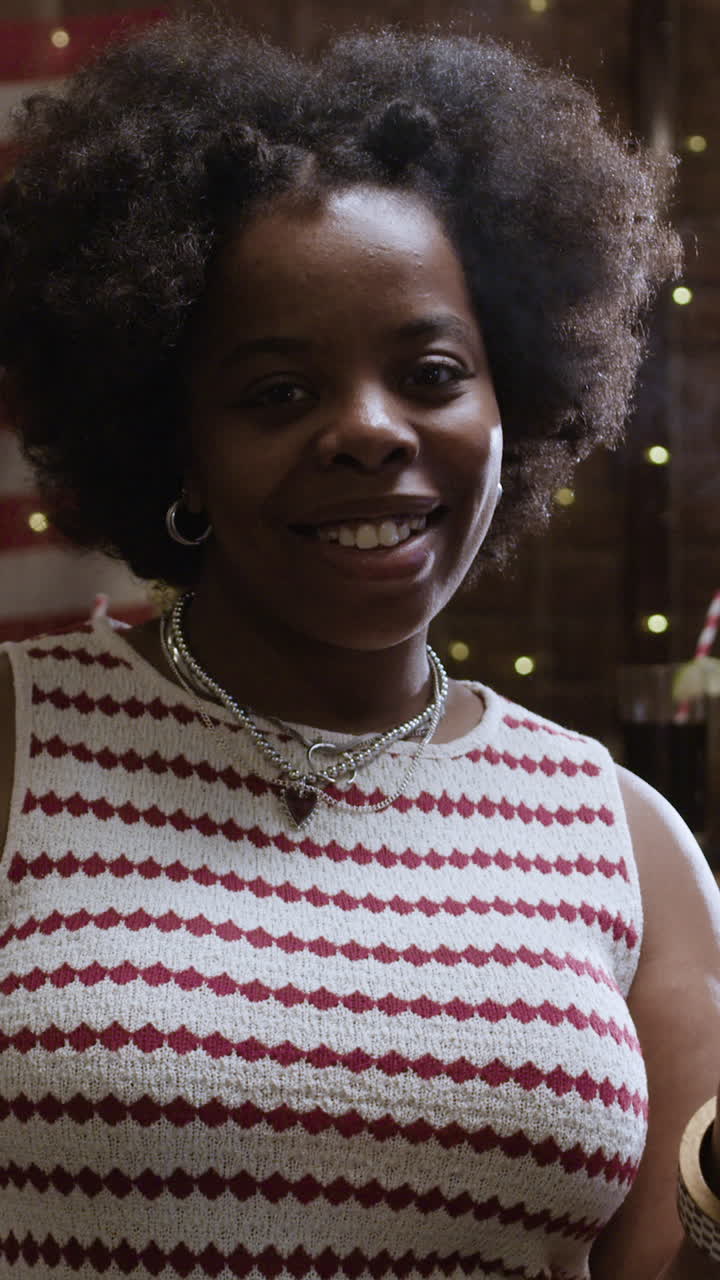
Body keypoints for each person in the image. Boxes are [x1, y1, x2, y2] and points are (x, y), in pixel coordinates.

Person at [0, 15, 718, 1280]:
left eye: (433, 371)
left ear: (517, 402)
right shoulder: (17, 745)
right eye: (278, 392)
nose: (370, 432)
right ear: (176, 446)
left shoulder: (631, 844)